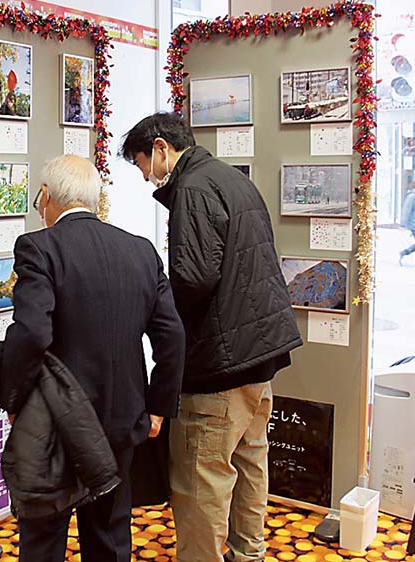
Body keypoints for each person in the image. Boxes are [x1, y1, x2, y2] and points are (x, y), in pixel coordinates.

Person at [120, 111, 302, 561]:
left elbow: (195, 279)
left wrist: (156, 312)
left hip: (219, 365)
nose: (146, 177)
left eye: (142, 163)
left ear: (161, 148)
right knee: (249, 462)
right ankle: (247, 553)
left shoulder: (195, 190)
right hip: (259, 356)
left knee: (201, 482)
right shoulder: (230, 179)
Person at [0, 154, 185, 561]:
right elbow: (171, 336)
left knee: (45, 536)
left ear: (46, 196)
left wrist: (13, 400)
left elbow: (31, 332)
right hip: (121, 420)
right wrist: (158, 408)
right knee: (109, 535)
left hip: (55, 425)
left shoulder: (39, 248)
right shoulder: (140, 250)